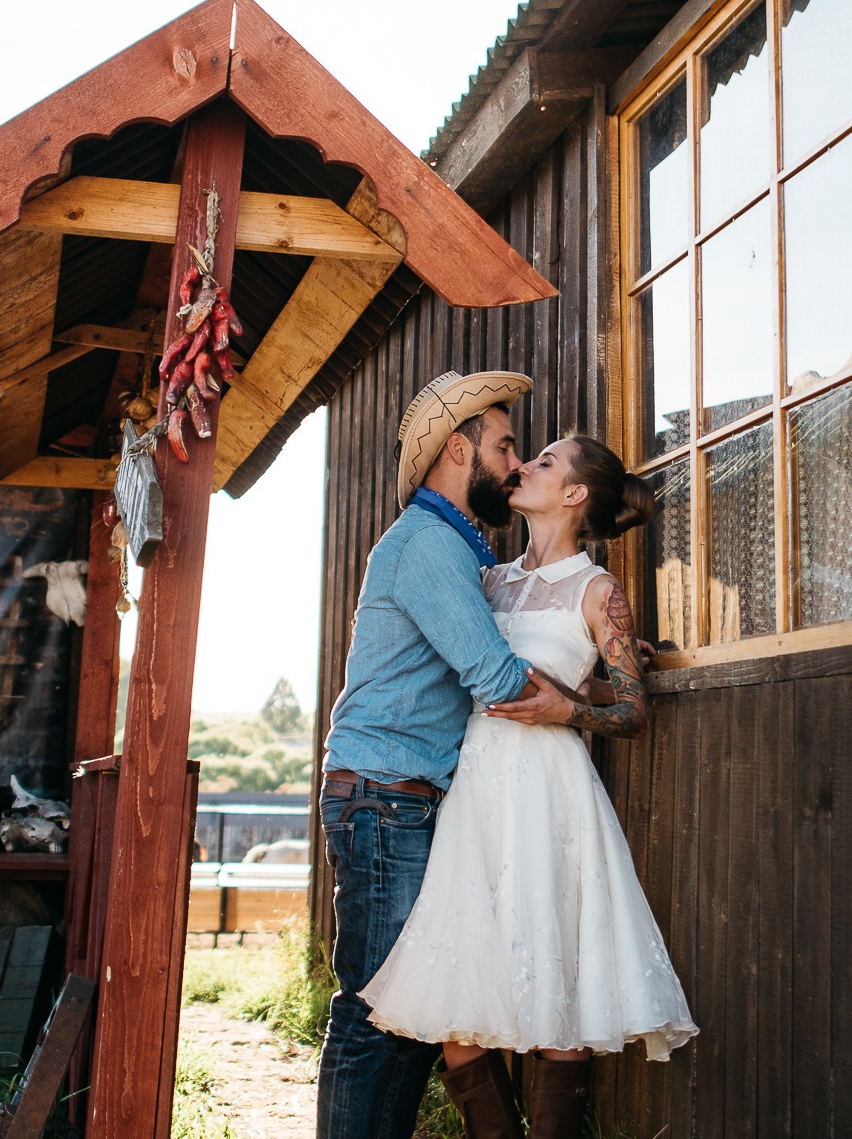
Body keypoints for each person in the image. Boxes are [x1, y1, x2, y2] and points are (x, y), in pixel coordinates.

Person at [359, 433, 698, 1139]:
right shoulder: (489, 580)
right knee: (455, 1000)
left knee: (559, 985)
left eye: (545, 462)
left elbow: (633, 713)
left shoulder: (598, 591)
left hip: (550, 792)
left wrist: (569, 708)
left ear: (574, 494)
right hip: (477, 791)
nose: (524, 466)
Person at [316, 370, 565, 1139]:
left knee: (413, 1015)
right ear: (460, 451)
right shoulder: (427, 544)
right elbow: (493, 674)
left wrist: (600, 641)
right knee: (374, 1009)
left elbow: (511, 623)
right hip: (385, 801)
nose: (516, 464)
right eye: (505, 446)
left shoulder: (457, 548)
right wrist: (584, 694)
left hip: (401, 800)